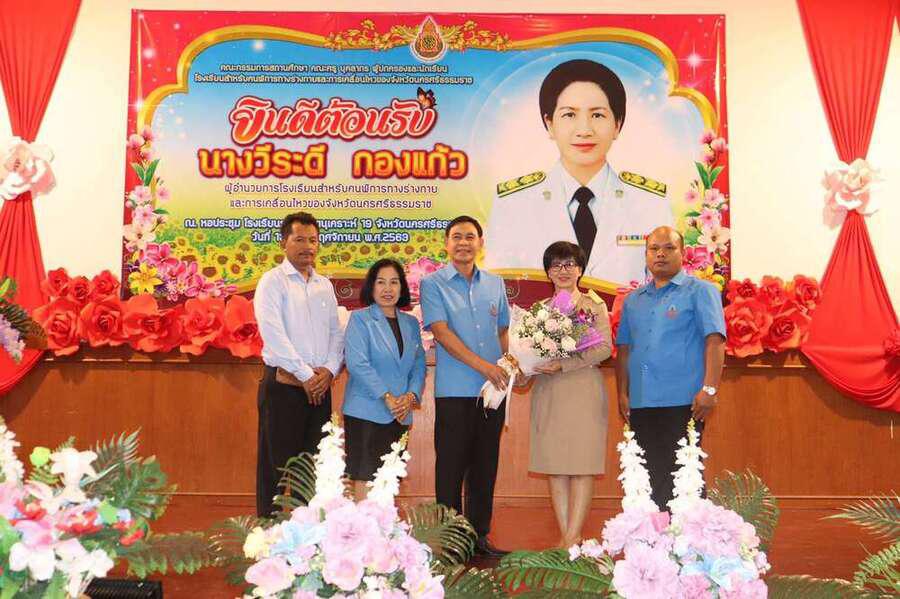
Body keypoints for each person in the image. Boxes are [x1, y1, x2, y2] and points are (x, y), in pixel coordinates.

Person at [485, 59, 674, 286]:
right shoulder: (513, 204)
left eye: (597, 115)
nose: (584, 130)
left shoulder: (650, 203)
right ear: (549, 124)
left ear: (617, 124)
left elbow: (667, 284)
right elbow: (499, 290)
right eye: (569, 115)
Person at [614, 226, 726, 510]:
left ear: (683, 253)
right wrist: (622, 393)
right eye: (654, 249)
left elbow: (715, 341)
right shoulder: (633, 300)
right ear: (646, 255)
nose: (660, 254)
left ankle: (688, 535)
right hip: (641, 401)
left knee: (684, 475)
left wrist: (710, 389)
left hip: (684, 401)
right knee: (646, 475)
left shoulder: (701, 291)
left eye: (669, 248)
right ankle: (653, 534)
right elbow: (624, 349)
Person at [420, 215, 511, 557]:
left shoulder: (495, 284)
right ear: (446, 244)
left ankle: (478, 537)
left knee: (485, 467)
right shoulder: (433, 284)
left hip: (493, 393)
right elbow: (442, 333)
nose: (463, 242)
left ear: (480, 243)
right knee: (451, 468)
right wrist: (484, 367)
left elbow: (503, 331)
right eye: (456, 236)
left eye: (470, 236)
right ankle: (449, 542)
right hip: (455, 391)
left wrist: (511, 366)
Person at [253, 211, 344, 516]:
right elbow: (274, 335)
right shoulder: (272, 282)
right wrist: (306, 375)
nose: (308, 247)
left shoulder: (324, 285)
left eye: (313, 240)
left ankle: (307, 533)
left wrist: (328, 371)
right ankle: (269, 533)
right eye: (300, 240)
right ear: (284, 243)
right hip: (284, 386)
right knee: (276, 469)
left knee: (313, 468)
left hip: (319, 389)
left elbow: (336, 334)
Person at [525, 241, 612, 548]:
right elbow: (527, 353)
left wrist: (564, 364)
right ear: (548, 272)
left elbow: (604, 348)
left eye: (570, 264)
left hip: (583, 389)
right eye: (556, 265)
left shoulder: (593, 306)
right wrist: (522, 368)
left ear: (580, 269)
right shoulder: (538, 312)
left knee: (582, 465)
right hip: (548, 392)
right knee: (556, 466)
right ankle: (567, 538)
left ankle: (572, 537)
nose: (563, 271)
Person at [343, 259, 426, 501]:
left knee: (389, 479)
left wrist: (410, 396)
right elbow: (357, 363)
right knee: (365, 476)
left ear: (402, 287)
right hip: (366, 411)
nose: (387, 289)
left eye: (394, 282)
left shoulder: (411, 324)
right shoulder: (360, 319)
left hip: (400, 414)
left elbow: (418, 364)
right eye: (381, 282)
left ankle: (384, 526)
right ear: (372, 286)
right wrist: (388, 397)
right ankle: (363, 526)